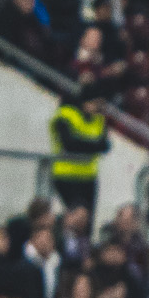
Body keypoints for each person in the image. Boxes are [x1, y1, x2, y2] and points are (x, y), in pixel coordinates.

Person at [49, 83, 110, 223]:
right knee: (74, 218)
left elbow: (105, 145)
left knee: (87, 221)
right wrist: (93, 146)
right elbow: (69, 144)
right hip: (66, 176)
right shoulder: (65, 115)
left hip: (88, 178)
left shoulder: (98, 119)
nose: (99, 108)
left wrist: (83, 143)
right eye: (97, 103)